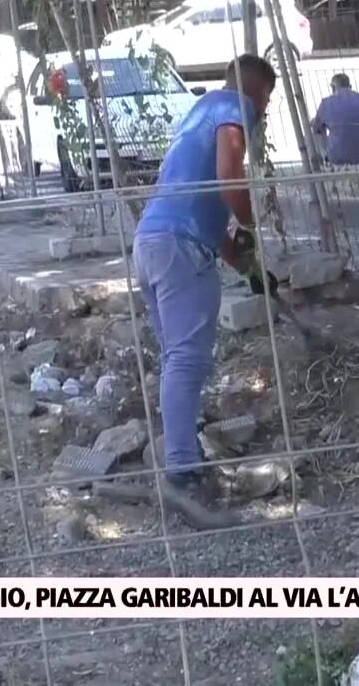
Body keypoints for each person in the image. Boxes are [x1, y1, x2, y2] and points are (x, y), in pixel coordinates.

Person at [133, 54, 279, 499]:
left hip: (151, 241)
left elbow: (210, 218)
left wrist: (251, 267)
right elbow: (228, 177)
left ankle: (182, 449)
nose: (265, 112)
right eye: (267, 101)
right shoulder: (233, 104)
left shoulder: (195, 116)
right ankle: (181, 470)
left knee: (176, 358)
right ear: (256, 91)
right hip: (180, 249)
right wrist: (253, 223)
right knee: (188, 360)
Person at [310, 73, 359, 166]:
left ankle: (321, 166)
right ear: (350, 86)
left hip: (338, 157)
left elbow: (316, 129)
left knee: (315, 131)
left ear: (333, 87)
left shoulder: (326, 103)